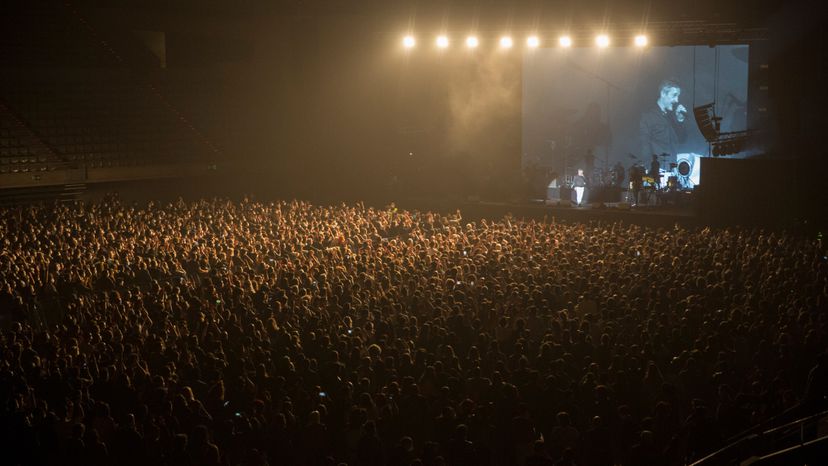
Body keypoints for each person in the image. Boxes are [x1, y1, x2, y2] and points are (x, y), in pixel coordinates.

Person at [640, 79, 688, 162]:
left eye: (678, 96)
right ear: (663, 93)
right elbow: (644, 147)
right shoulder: (648, 116)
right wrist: (650, 168)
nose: (677, 100)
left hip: (671, 166)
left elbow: (682, 140)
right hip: (656, 168)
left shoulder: (671, 117)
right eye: (674, 95)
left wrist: (680, 120)